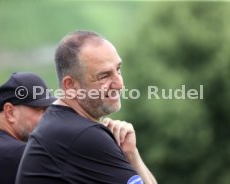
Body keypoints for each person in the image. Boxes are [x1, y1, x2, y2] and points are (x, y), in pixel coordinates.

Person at [16, 31, 157, 184]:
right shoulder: (83, 135)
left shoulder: (58, 124)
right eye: (104, 76)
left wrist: (131, 154)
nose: (120, 84)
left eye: (118, 69)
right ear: (70, 86)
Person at [0, 72, 56, 184]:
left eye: (47, 110)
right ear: (10, 112)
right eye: (39, 109)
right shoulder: (22, 153)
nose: (46, 118)